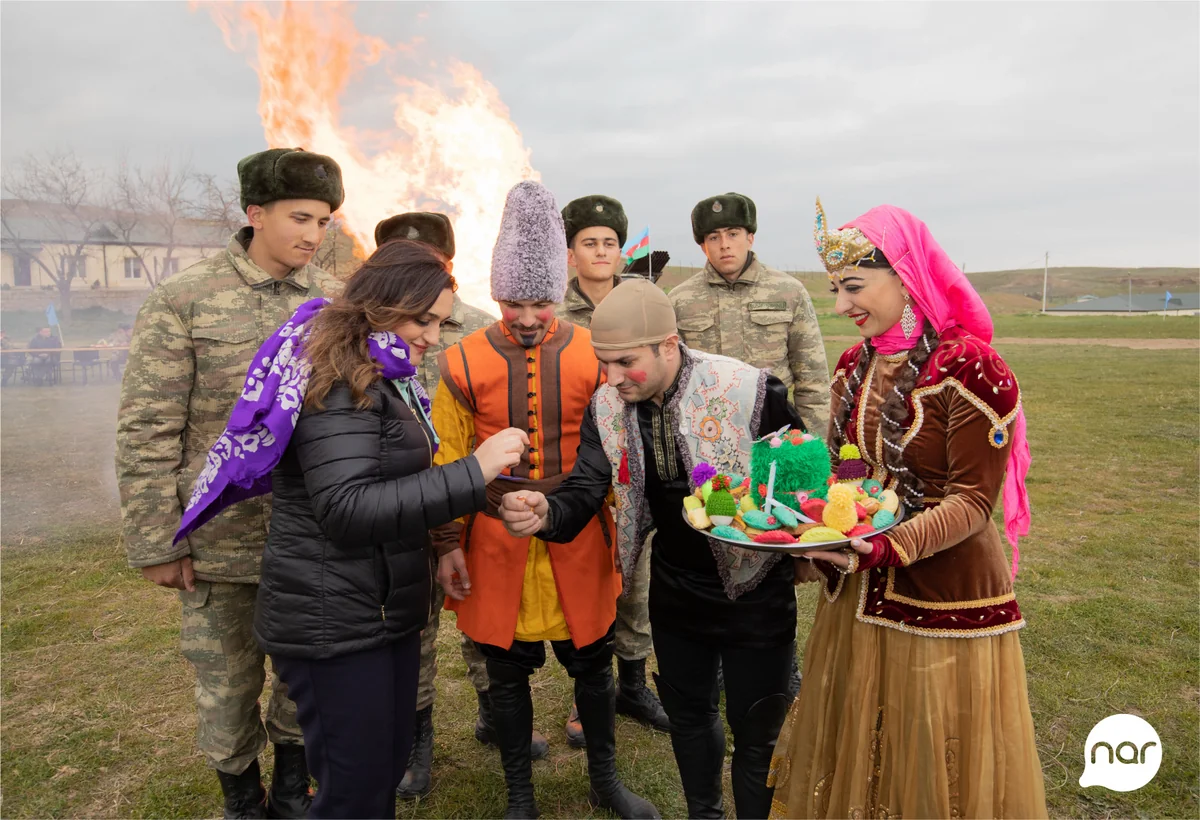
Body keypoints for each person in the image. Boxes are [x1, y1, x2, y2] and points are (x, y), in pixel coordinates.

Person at [175, 239, 529, 819]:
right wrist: (476, 469)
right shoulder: (339, 380)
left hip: (375, 608)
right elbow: (349, 509)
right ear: (383, 305)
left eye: (440, 322)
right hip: (331, 619)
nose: (433, 336)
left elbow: (393, 478)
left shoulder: (381, 372)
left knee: (379, 770)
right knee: (354, 792)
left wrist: (490, 497)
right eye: (423, 319)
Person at [766, 200, 1044, 819]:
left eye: (853, 286)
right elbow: (848, 472)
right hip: (859, 592)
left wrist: (887, 546)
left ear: (905, 275)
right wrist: (807, 529)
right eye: (835, 289)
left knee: (929, 755)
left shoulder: (971, 369)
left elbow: (972, 502)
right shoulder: (853, 365)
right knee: (860, 743)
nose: (841, 305)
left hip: (942, 597)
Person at [500, 279, 809, 820]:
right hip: (676, 587)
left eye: (625, 362)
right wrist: (548, 513)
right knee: (689, 717)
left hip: (755, 591)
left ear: (669, 345)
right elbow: (586, 487)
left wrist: (805, 543)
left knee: (757, 729)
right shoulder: (607, 407)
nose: (613, 378)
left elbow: (804, 479)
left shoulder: (747, 390)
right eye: (604, 364)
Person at [115, 148, 344, 819]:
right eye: (300, 217)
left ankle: (295, 789)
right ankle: (242, 798)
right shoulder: (183, 301)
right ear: (255, 214)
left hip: (308, 536)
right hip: (218, 541)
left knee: (303, 677)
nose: (312, 234)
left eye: (324, 220)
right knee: (227, 682)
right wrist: (157, 542)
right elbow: (147, 429)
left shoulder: (333, 304)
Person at [431, 181, 658, 819]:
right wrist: (448, 544)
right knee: (505, 675)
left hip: (580, 535)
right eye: (511, 302)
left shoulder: (595, 355)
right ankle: (519, 796)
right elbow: (447, 461)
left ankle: (604, 782)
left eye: (538, 301)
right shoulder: (460, 362)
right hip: (493, 541)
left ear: (557, 292)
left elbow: (620, 453)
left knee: (592, 666)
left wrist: (612, 525)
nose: (527, 318)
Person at [372, 212, 549, 801]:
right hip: (389, 501)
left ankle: (494, 711)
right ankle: (416, 738)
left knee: (481, 616)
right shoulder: (357, 332)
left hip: (463, 498)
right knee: (412, 627)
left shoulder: (475, 328)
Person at [668, 191, 831, 697]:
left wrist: (812, 457)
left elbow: (813, 377)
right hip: (707, 451)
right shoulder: (682, 301)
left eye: (733, 234)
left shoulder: (788, 293)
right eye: (713, 238)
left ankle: (780, 660)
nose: (724, 245)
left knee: (775, 552)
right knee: (712, 546)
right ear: (702, 245)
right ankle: (716, 658)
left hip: (773, 448)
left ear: (750, 236)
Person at [555, 194, 669, 746]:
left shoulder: (645, 303)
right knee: (589, 583)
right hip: (575, 468)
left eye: (609, 242)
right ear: (571, 251)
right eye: (588, 242)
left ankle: (634, 682)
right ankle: (589, 693)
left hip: (636, 462)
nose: (600, 252)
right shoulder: (552, 313)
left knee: (637, 579)